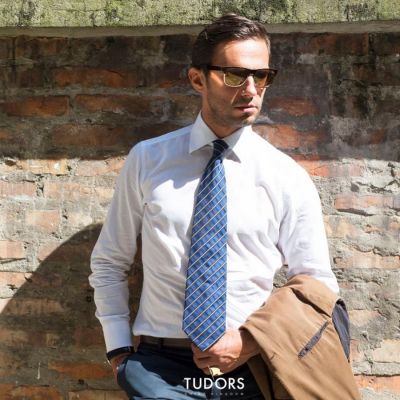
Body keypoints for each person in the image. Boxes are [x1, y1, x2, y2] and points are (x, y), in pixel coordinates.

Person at [89, 13, 340, 400]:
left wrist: (249, 342)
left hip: (252, 366)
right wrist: (119, 352)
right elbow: (110, 261)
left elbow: (318, 284)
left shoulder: (285, 176)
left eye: (262, 76)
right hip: (159, 370)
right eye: (236, 75)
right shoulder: (148, 160)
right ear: (197, 79)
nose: (251, 90)